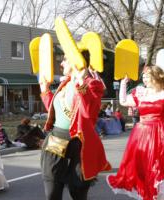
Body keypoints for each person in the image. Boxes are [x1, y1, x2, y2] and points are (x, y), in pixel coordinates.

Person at [107, 65, 164, 200]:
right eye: (143, 76)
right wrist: (123, 84)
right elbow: (123, 101)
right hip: (142, 135)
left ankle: (163, 196)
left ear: (156, 77)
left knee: (163, 168)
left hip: (163, 134)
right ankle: (148, 195)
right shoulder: (140, 92)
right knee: (144, 169)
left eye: (147, 76)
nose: (144, 79)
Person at [40, 50, 111, 200]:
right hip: (57, 138)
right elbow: (61, 112)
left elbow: (87, 113)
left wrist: (81, 84)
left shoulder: (93, 85)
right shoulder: (65, 83)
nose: (61, 63)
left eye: (65, 59)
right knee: (52, 186)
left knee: (78, 189)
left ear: (76, 61)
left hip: (80, 141)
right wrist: (45, 92)